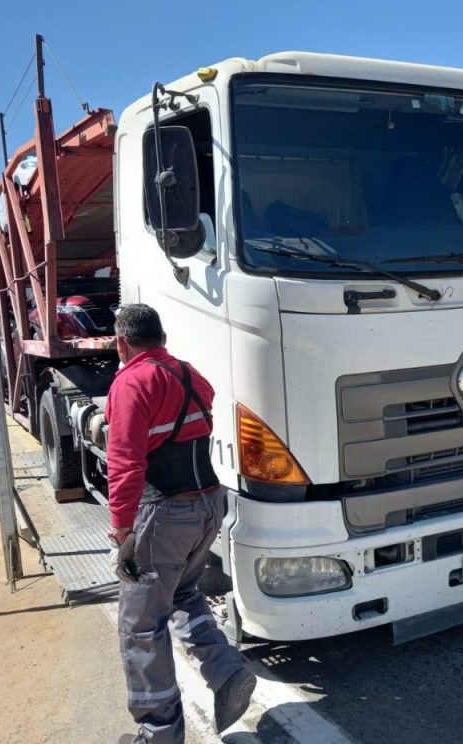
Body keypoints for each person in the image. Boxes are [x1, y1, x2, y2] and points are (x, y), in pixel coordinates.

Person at [107, 304, 255, 744]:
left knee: (141, 623)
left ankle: (158, 735)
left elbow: (125, 462)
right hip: (208, 504)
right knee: (184, 595)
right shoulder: (191, 375)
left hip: (164, 514)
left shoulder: (131, 382)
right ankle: (227, 673)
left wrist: (122, 529)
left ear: (122, 342)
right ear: (162, 337)